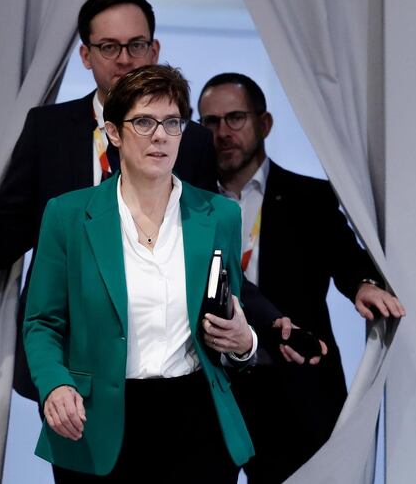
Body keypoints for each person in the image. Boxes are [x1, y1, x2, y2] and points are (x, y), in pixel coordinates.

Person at [0, 0, 217, 400]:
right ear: (86, 55)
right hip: (71, 358)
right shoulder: (48, 130)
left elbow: (210, 250)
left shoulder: (190, 140)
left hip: (168, 359)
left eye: (136, 45)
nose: (124, 59)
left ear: (155, 49)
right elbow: (3, 244)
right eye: (109, 46)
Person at [23, 65, 255, 482]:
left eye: (172, 122)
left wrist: (245, 343)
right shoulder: (68, 214)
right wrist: (55, 384)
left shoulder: (219, 215)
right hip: (98, 423)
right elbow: (42, 322)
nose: (160, 135)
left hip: (197, 420)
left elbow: (229, 318)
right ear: (114, 132)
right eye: (144, 122)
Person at [197, 73, 406, 484]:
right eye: (210, 122)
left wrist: (363, 283)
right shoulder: (187, 203)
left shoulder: (309, 197)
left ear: (265, 123)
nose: (222, 132)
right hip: (213, 391)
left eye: (235, 118)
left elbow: (347, 256)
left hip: (294, 388)